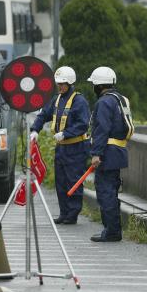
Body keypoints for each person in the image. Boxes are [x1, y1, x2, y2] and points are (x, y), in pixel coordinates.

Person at [30, 66, 90, 225]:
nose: (60, 86)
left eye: (63, 83)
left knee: (73, 180)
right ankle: (64, 213)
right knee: (61, 181)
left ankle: (73, 213)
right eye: (58, 83)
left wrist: (66, 133)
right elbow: (43, 114)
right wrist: (35, 129)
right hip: (61, 148)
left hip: (76, 148)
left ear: (70, 83)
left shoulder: (79, 101)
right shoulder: (57, 99)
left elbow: (83, 124)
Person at [87, 66, 134, 242]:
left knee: (105, 193)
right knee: (111, 192)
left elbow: (101, 129)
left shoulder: (104, 102)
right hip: (118, 151)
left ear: (98, 86)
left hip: (107, 153)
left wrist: (96, 154)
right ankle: (113, 229)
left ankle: (112, 231)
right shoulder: (120, 99)